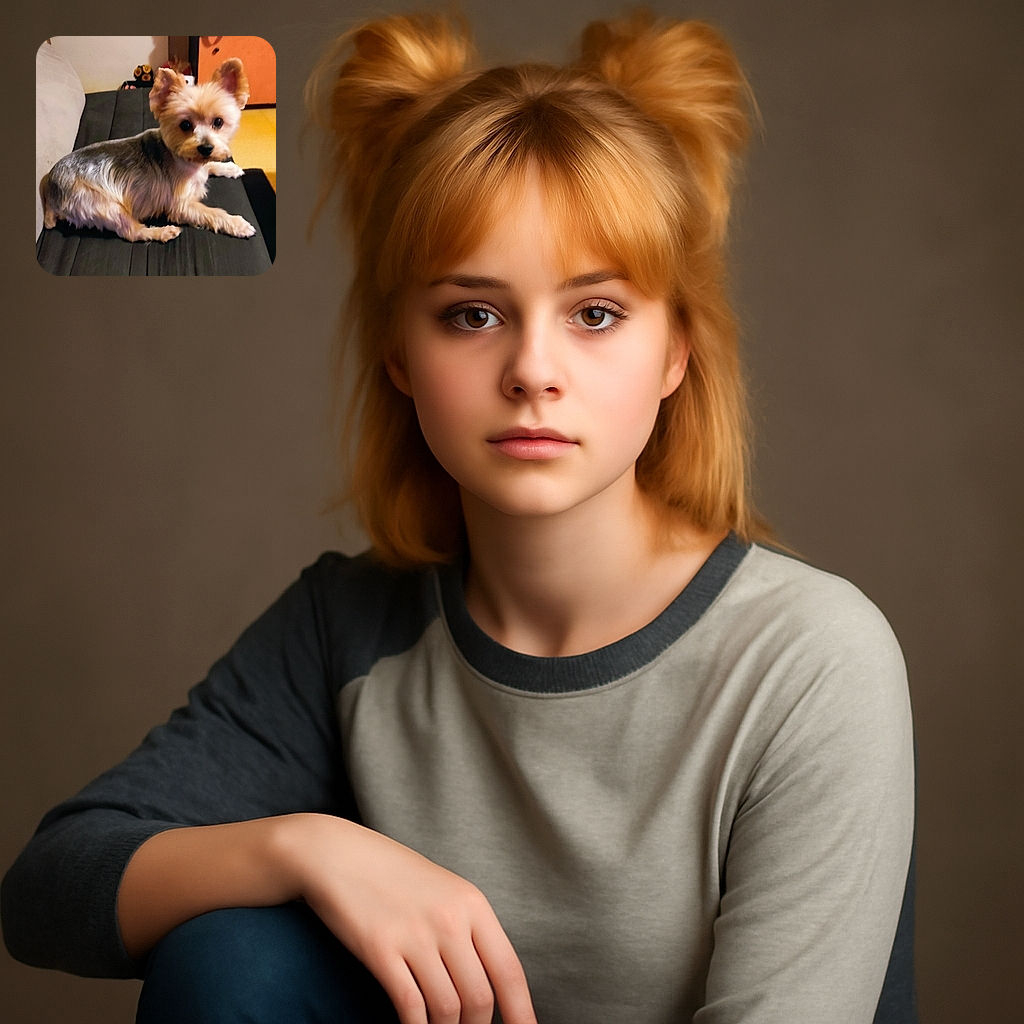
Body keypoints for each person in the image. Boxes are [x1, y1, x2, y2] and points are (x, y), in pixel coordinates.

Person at [2, 10, 916, 1023]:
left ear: (676, 353)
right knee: (231, 957)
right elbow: (50, 886)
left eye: (596, 313)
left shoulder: (811, 659)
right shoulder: (347, 626)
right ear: (400, 354)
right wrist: (306, 846)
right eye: (471, 314)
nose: (532, 371)